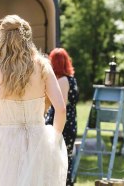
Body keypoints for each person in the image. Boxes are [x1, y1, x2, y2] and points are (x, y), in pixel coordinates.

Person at [0, 15, 68, 186]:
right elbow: (61, 110)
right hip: (38, 143)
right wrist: (53, 140)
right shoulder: (43, 67)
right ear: (28, 37)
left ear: (1, 38)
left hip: (3, 145)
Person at [45, 47, 79, 186]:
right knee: (67, 157)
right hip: (71, 122)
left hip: (62, 124)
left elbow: (60, 107)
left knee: (59, 158)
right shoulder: (72, 80)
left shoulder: (62, 81)